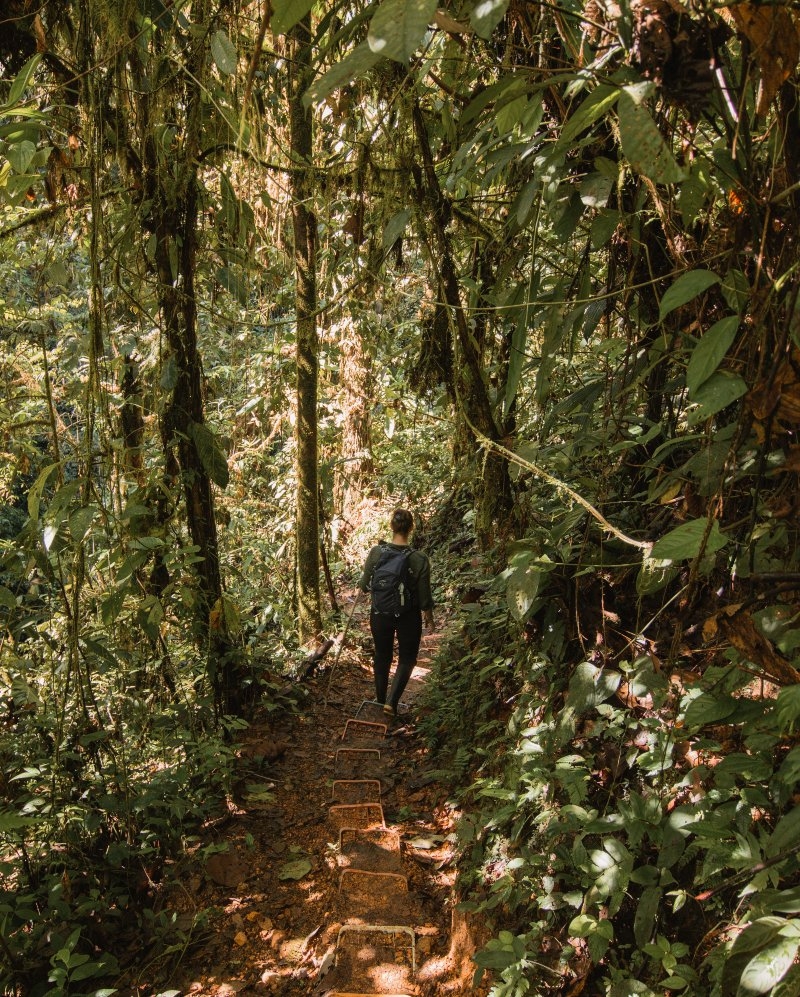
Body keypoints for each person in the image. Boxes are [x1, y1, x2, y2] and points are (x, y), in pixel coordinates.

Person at [358, 508, 435, 717]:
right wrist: (428, 615)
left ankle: (380, 700)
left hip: (380, 614)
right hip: (408, 616)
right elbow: (424, 595)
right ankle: (391, 703)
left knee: (382, 655)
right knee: (407, 658)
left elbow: (364, 585)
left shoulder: (376, 552)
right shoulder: (419, 558)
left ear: (391, 527)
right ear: (411, 528)